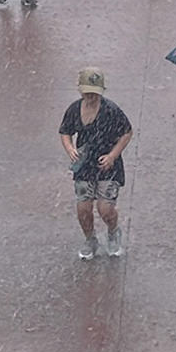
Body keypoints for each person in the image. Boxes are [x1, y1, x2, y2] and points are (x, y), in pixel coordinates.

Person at [59, 67, 133, 260]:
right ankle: (90, 239)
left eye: (94, 93)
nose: (91, 97)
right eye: (87, 93)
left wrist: (113, 155)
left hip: (107, 166)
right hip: (84, 165)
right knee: (83, 208)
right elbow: (65, 132)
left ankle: (113, 231)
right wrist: (70, 149)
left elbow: (127, 132)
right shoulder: (74, 109)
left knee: (105, 209)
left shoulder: (111, 110)